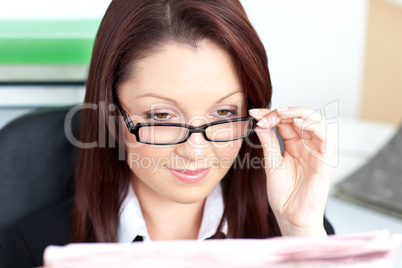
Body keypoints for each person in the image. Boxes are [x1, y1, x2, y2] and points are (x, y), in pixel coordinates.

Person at [1, 0, 334, 267]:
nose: (196, 151)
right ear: (112, 113)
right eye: (161, 116)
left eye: (224, 112)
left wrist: (301, 231)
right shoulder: (35, 250)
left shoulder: (300, 236)